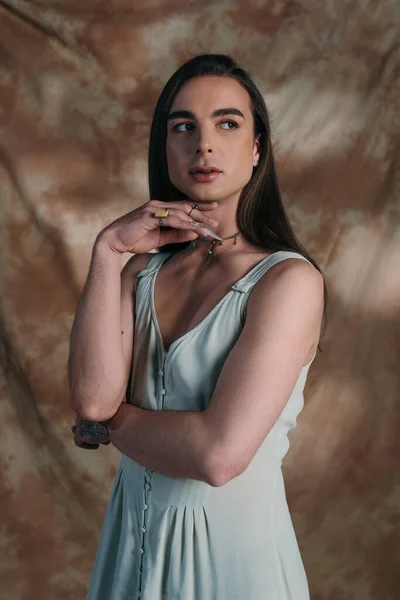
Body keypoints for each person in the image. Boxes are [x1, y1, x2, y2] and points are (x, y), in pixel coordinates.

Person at [68, 53, 326, 600]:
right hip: (129, 554)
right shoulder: (137, 269)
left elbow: (217, 456)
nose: (203, 144)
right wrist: (107, 250)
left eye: (227, 124)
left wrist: (110, 425)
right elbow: (92, 401)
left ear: (257, 150)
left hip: (231, 561)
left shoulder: (287, 282)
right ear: (166, 148)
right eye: (183, 127)